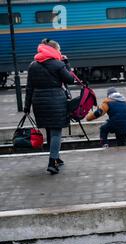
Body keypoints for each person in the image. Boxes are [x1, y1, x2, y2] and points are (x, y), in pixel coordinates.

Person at [24, 39, 74, 174]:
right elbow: (70, 79)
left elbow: (29, 88)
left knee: (49, 130)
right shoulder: (58, 64)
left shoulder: (33, 65)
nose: (60, 52)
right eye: (59, 50)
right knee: (56, 132)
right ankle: (52, 162)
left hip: (39, 102)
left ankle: (56, 157)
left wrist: (26, 107)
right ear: (54, 50)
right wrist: (66, 64)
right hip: (56, 101)